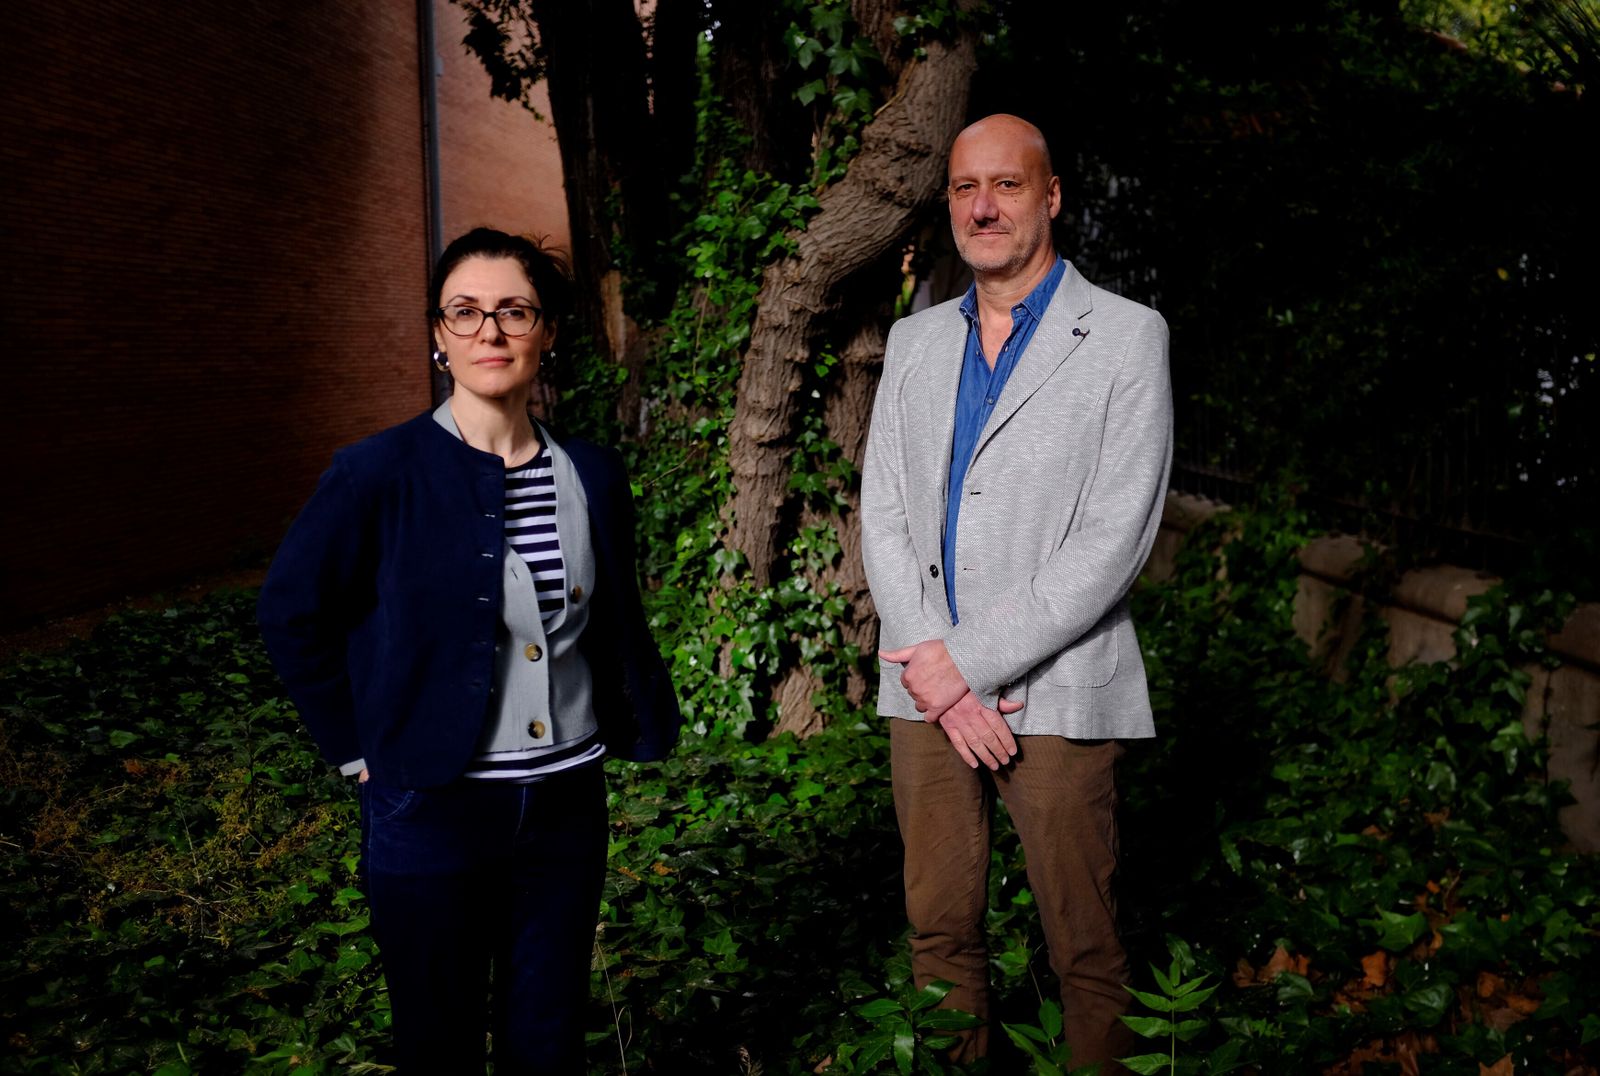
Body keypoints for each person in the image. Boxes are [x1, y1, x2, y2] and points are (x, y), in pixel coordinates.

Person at [257, 227, 680, 1073]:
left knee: (548, 1036)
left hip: (564, 803)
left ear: (547, 332)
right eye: (466, 312)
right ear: (439, 336)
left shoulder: (594, 472)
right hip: (433, 808)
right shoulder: (377, 472)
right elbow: (290, 611)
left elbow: (609, 615)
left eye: (513, 311)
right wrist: (355, 752)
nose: (490, 332)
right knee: (438, 1042)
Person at [862, 115, 1172, 1072]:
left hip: (1062, 686)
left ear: (1052, 196)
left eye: (1005, 185)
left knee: (1087, 949)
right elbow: (884, 515)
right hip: (923, 687)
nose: (983, 206)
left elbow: (1114, 541)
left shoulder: (1125, 336)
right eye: (964, 188)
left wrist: (970, 663)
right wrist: (939, 675)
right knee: (938, 937)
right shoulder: (914, 342)